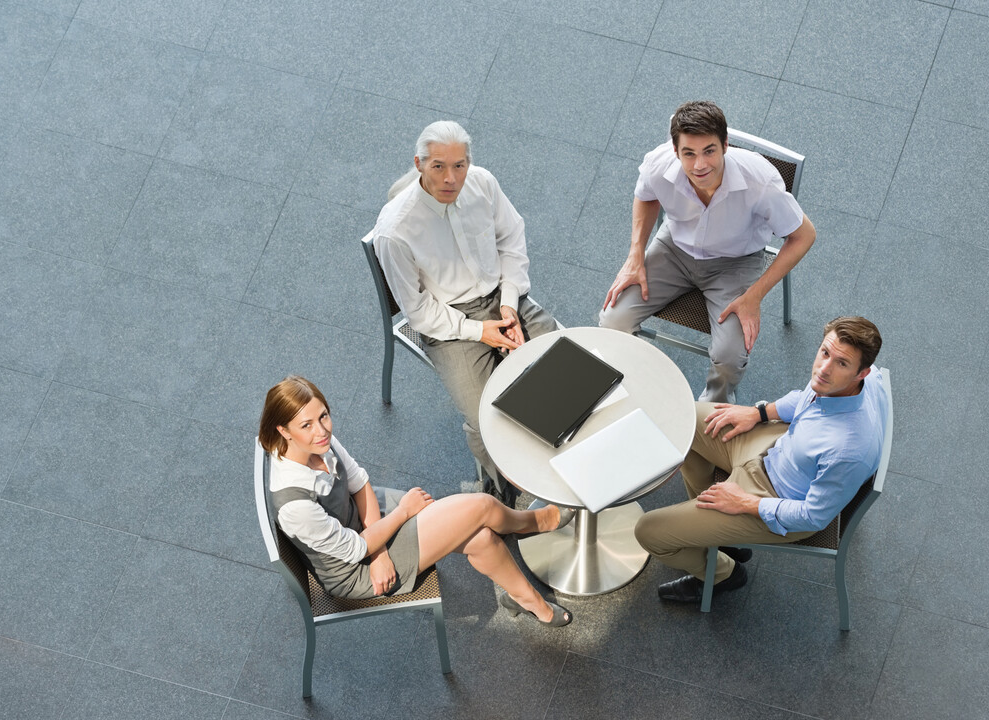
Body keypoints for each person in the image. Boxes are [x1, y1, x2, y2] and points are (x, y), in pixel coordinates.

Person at [260, 375, 573, 626]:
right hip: (356, 568)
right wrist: (401, 515)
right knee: (483, 507)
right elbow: (354, 549)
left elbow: (359, 482)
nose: (322, 430)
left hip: (369, 523)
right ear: (283, 430)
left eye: (324, 416)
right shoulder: (295, 505)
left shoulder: (317, 440)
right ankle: (534, 523)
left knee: (482, 536)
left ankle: (527, 601)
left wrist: (381, 548)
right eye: (307, 425)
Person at [634, 316, 887, 604]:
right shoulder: (847, 379)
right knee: (682, 419)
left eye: (841, 363)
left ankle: (721, 574)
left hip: (772, 497)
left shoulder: (848, 451)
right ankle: (720, 536)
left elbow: (814, 516)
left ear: (861, 373)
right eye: (824, 352)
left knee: (648, 532)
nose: (824, 369)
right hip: (774, 445)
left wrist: (744, 503)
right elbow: (804, 397)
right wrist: (759, 413)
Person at [373, 120, 559, 504]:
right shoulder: (393, 232)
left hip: (502, 296)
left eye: (460, 165)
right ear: (419, 164)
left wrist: (509, 301)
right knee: (487, 418)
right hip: (449, 321)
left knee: (566, 366)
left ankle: (563, 453)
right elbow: (419, 311)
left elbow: (512, 239)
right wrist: (480, 332)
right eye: (438, 166)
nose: (451, 178)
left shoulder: (483, 183)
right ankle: (508, 491)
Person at [600, 100, 816, 402]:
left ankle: (712, 410)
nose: (700, 165)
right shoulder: (658, 163)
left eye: (709, 151)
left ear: (725, 145)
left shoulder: (761, 182)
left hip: (735, 263)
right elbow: (645, 196)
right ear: (676, 151)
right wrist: (635, 255)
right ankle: (632, 392)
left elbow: (804, 235)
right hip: (674, 249)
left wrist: (755, 295)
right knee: (612, 322)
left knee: (728, 359)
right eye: (689, 153)